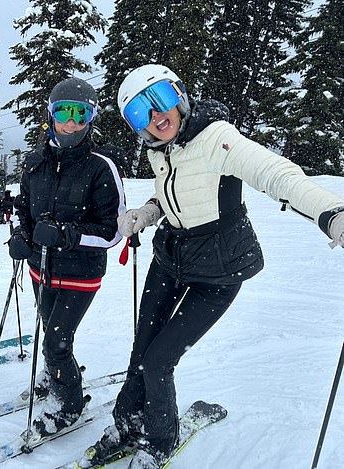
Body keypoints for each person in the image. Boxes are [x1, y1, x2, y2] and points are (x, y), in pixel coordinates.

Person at [83, 64, 344, 468]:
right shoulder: (159, 149)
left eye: (162, 100)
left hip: (219, 273)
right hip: (170, 259)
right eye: (140, 112)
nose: (156, 116)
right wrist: (147, 213)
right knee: (141, 349)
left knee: (159, 360)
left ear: (180, 95)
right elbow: (172, 195)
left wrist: (332, 212)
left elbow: (276, 174)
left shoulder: (217, 138)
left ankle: (160, 440)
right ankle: (127, 423)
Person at [8, 77, 126, 438]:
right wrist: (20, 238)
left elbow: (113, 231)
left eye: (80, 113)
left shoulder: (101, 166)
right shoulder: (35, 162)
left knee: (56, 339)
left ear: (90, 118)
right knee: (51, 331)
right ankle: (56, 372)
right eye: (64, 112)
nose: (71, 122)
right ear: (51, 115)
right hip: (40, 270)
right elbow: (23, 211)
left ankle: (69, 405)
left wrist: (65, 235)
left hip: (81, 274)